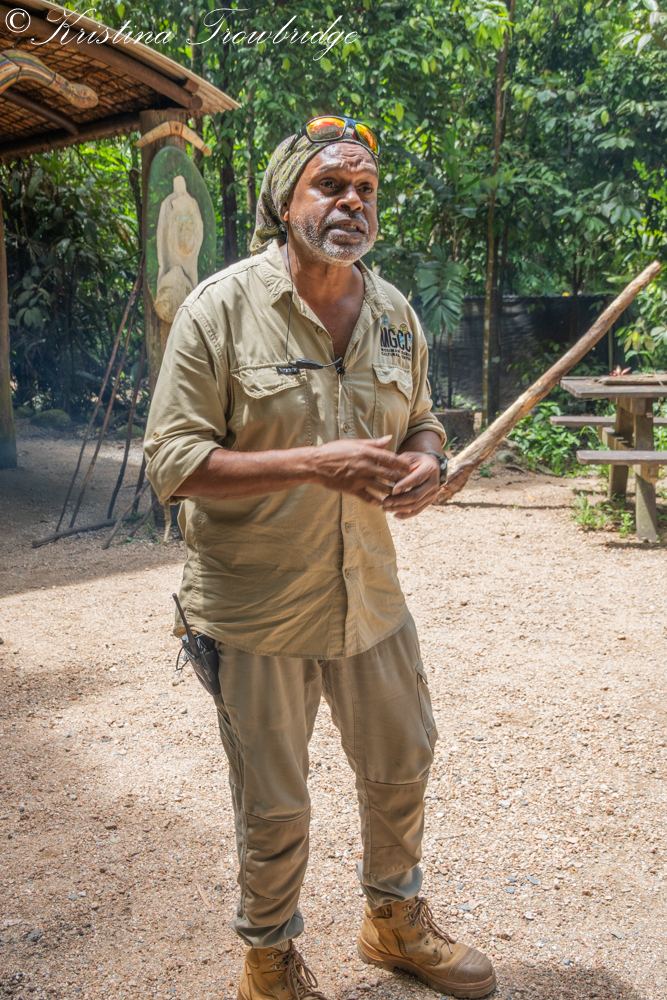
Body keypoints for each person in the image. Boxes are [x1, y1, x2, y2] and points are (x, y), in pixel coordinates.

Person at [145, 116, 495, 1000]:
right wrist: (314, 463)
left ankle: (394, 922)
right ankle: (267, 960)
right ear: (284, 200)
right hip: (255, 606)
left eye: (365, 189)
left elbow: (421, 419)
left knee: (402, 761)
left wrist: (426, 460)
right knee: (274, 802)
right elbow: (173, 463)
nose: (352, 203)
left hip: (369, 595)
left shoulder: (392, 312)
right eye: (330, 186)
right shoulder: (219, 309)